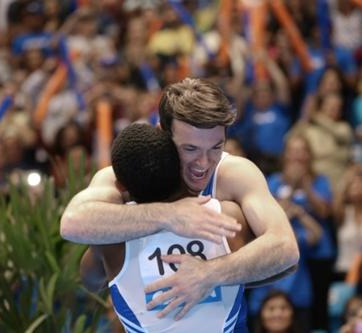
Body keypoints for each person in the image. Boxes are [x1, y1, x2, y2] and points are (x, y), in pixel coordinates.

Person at [60, 77, 299, 319]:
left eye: (216, 147)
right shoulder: (130, 175)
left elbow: (286, 249)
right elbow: (72, 223)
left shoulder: (234, 174)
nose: (204, 164)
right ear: (162, 134)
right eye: (190, 149)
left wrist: (208, 275)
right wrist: (171, 215)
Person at [80, 123, 253, 332]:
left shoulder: (112, 240)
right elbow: (264, 270)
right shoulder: (230, 216)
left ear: (121, 187)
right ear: (178, 166)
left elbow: (90, 282)